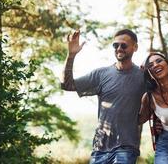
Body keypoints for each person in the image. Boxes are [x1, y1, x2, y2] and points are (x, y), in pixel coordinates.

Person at [61, 29, 145, 164]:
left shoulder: (143, 76)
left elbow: (157, 100)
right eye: (115, 45)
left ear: (135, 47)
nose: (119, 48)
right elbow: (67, 85)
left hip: (126, 148)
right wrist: (71, 55)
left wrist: (141, 120)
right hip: (99, 147)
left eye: (123, 45)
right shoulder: (101, 74)